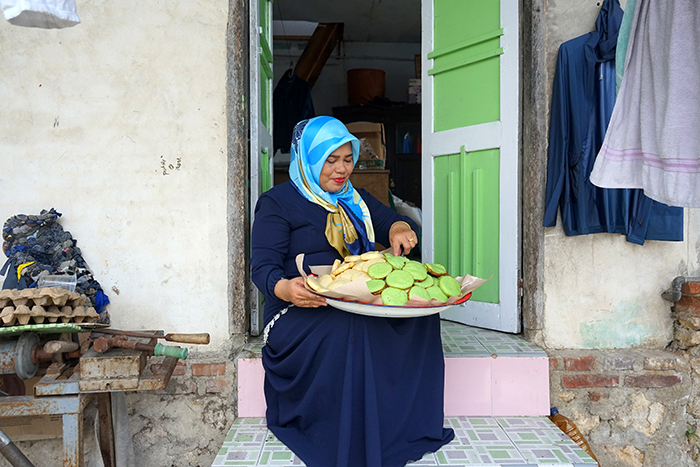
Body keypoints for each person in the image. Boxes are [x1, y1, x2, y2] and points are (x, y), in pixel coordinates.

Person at [251, 116, 454, 467]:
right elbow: (262, 268)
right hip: (299, 306)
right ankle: (349, 436)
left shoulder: (354, 198)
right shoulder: (278, 203)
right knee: (351, 329)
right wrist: (285, 288)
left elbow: (390, 220)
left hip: (351, 298)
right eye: (331, 160)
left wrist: (399, 229)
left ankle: (398, 427)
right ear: (308, 159)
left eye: (348, 159)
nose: (342, 169)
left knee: (421, 317)